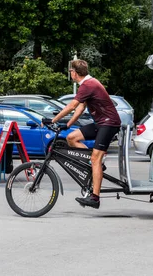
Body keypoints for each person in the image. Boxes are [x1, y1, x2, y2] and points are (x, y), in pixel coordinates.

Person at [51, 59, 121, 209]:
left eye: (70, 71)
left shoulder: (88, 85)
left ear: (74, 73)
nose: (70, 74)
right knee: (71, 138)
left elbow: (72, 105)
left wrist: (53, 120)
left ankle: (95, 198)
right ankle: (95, 164)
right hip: (101, 123)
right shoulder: (88, 85)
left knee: (95, 158)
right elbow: (80, 108)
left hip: (109, 123)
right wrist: (67, 125)